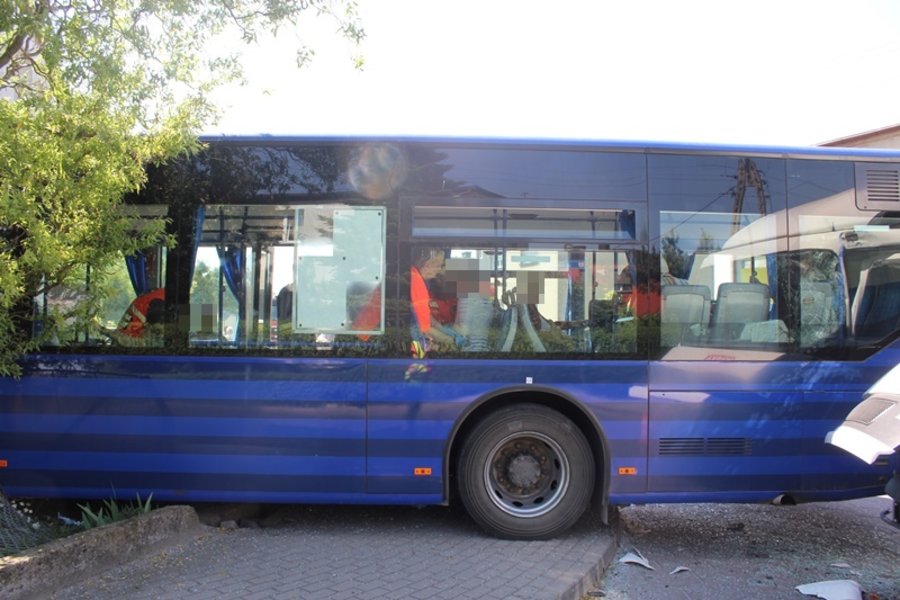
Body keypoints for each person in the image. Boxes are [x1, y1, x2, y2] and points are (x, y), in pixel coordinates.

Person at [410, 248, 465, 354]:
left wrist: (444, 330)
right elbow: (424, 329)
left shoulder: (419, 279)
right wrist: (449, 341)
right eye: (439, 265)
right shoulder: (416, 283)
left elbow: (425, 317)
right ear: (427, 265)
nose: (439, 269)